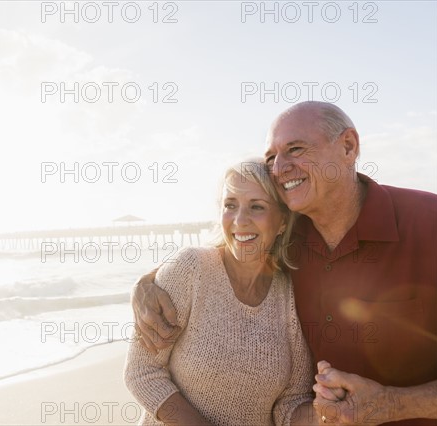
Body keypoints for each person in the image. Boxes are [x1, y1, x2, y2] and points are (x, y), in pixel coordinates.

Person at [131, 101, 437, 425]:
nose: (278, 168)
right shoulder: (288, 243)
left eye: (295, 149)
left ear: (348, 146)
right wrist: (147, 283)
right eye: (271, 158)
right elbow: (226, 254)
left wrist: (393, 404)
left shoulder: (430, 223)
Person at [124, 160, 314, 425]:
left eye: (256, 207)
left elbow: (292, 401)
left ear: (282, 221)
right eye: (230, 205)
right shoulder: (191, 268)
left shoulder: (290, 294)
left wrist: (327, 415)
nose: (240, 220)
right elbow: (143, 372)